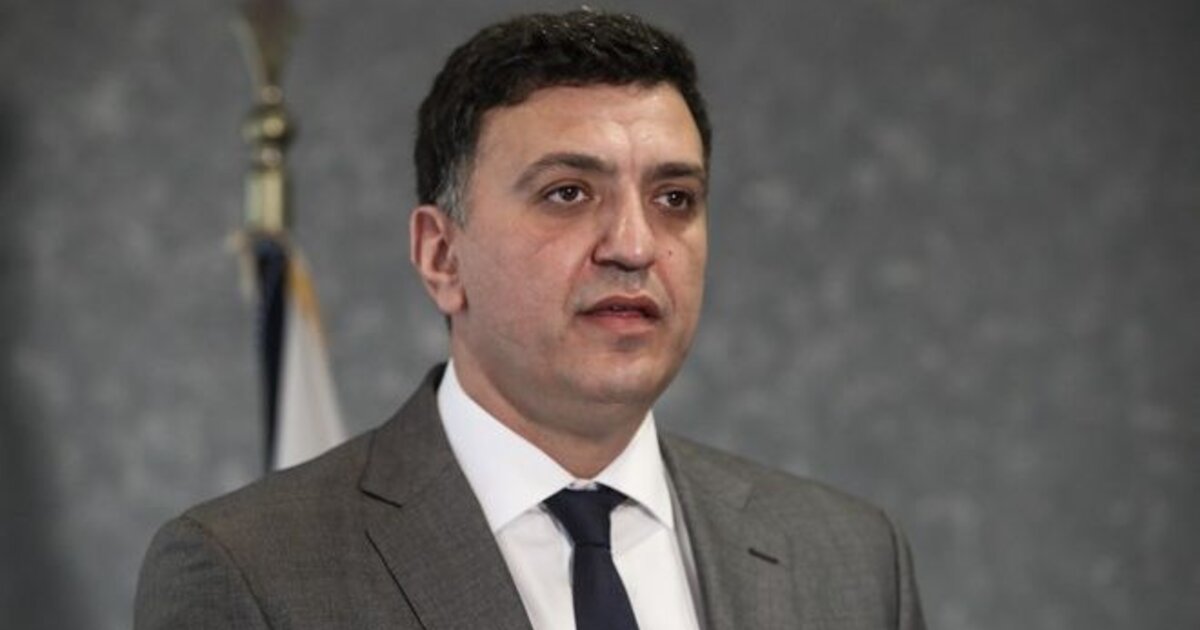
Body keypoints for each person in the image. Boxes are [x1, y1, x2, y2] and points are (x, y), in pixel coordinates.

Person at [135, 10, 925, 630]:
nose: (634, 245)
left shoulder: (851, 562)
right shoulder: (251, 572)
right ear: (441, 255)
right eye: (568, 193)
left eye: (674, 198)